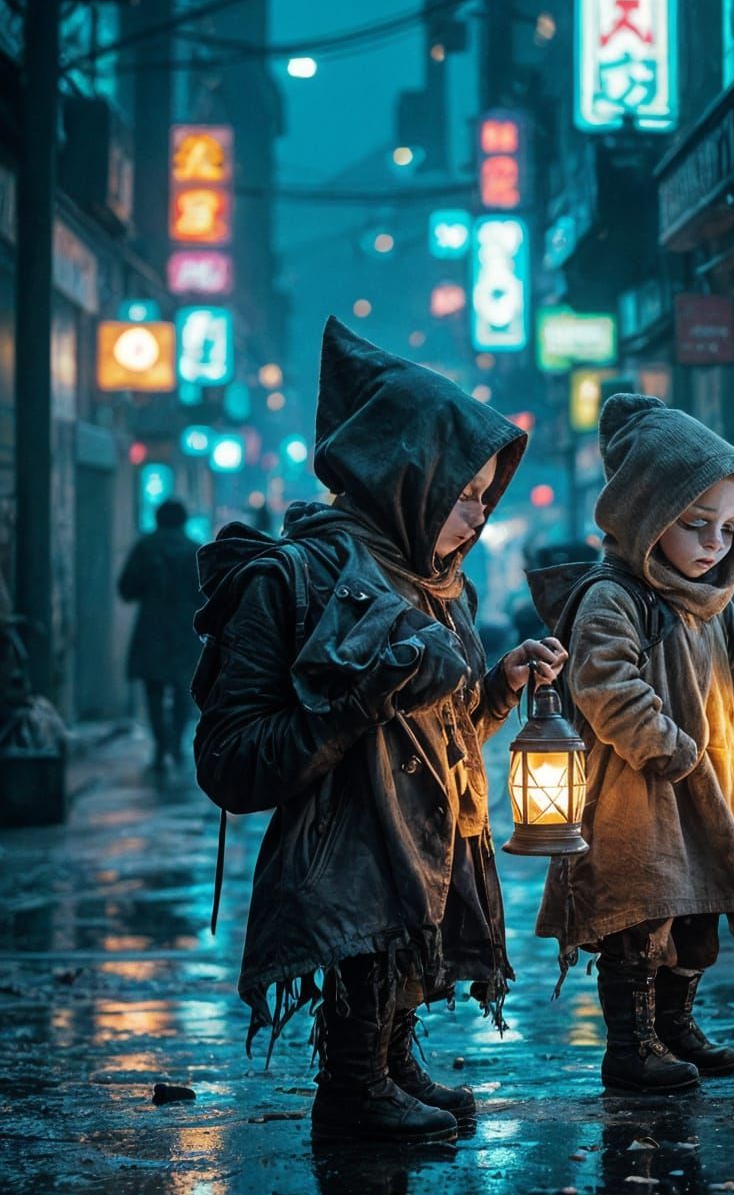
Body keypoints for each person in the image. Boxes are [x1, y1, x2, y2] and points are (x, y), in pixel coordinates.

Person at [192, 317, 566, 1145]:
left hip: (428, 850)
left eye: (485, 497)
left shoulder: (442, 586)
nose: (479, 517)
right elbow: (228, 758)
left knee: (406, 937)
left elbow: (445, 734)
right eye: (463, 494)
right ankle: (353, 1080)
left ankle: (389, 1058)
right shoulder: (294, 578)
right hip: (342, 854)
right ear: (406, 478)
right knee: (369, 928)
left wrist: (500, 686)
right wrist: (357, 703)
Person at [529, 394, 734, 1094]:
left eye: (728, 527)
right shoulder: (612, 597)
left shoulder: (711, 606)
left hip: (704, 794)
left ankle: (676, 1025)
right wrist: (672, 749)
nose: (715, 542)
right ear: (646, 515)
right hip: (640, 794)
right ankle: (631, 1045)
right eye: (696, 523)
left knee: (695, 916)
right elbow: (604, 685)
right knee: (640, 915)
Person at [117, 499, 202, 770]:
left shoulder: (145, 547)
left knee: (153, 688)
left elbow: (126, 588)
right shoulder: (194, 550)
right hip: (185, 630)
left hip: (152, 627)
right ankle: (175, 742)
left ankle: (160, 743)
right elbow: (205, 594)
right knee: (183, 688)